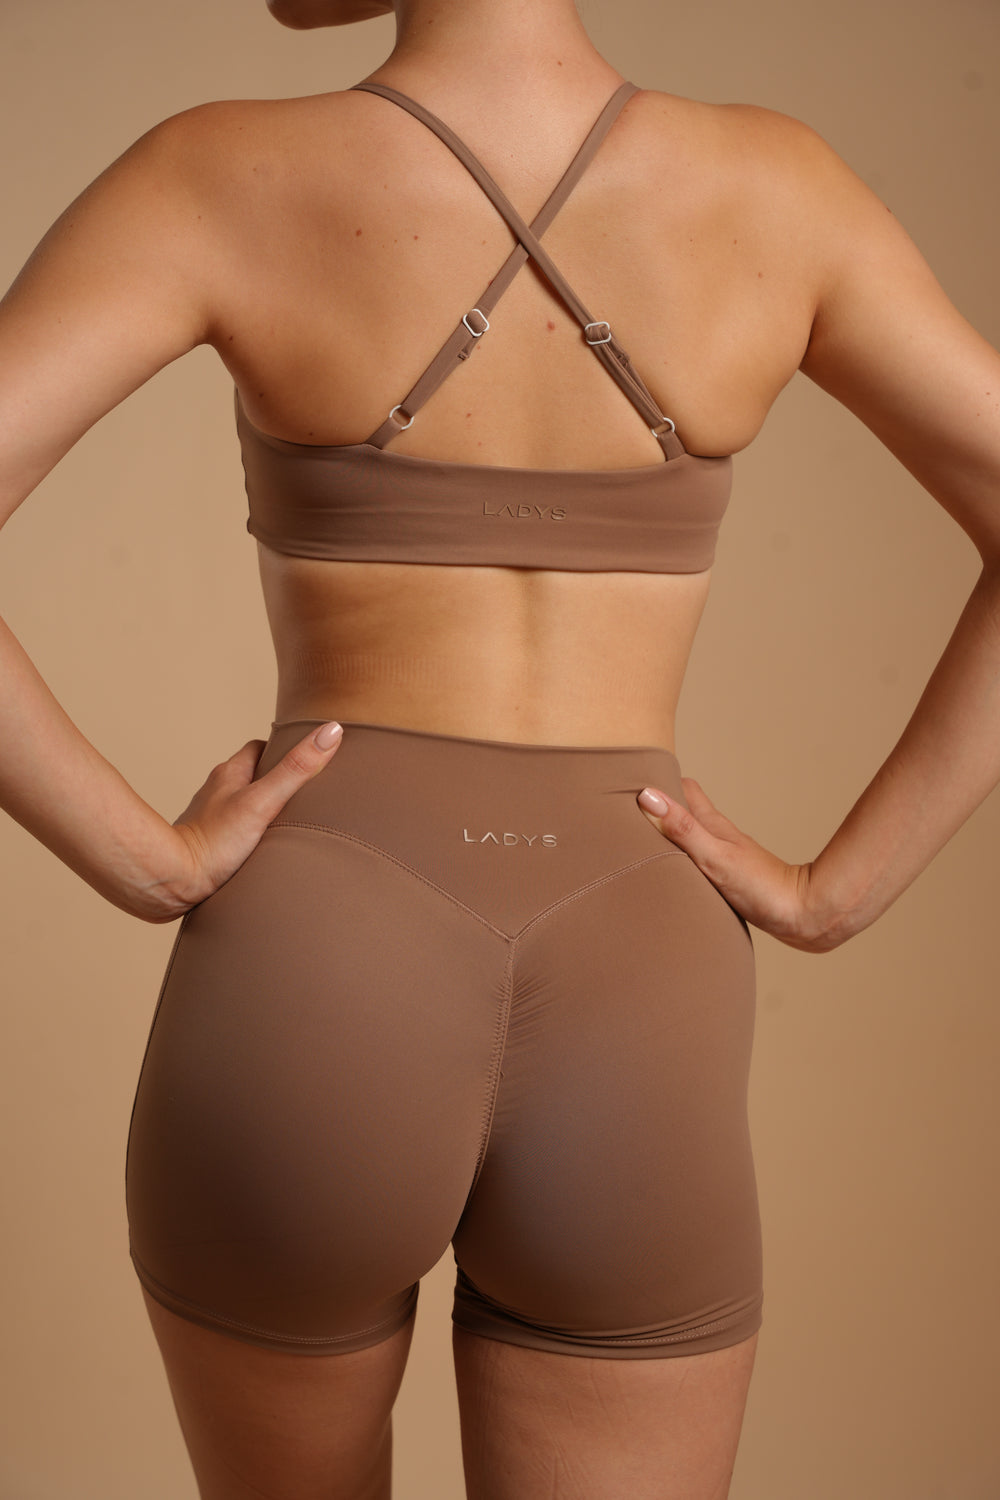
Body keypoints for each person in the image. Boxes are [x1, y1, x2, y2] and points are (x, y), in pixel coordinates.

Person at [2, 0, 999, 1496]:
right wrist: (835, 892)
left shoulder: (220, 172)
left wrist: (143, 858)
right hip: (645, 975)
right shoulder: (780, 191)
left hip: (314, 960)